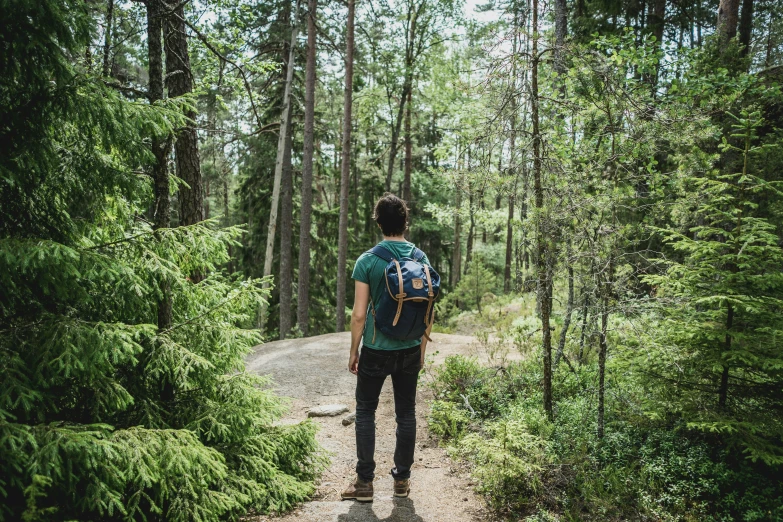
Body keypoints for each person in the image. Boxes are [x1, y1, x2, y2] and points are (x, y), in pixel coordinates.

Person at [341, 193, 434, 503]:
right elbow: (427, 310)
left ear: (378, 222)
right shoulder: (421, 259)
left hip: (377, 349)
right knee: (406, 413)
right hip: (409, 347)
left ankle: (364, 483)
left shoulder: (368, 260)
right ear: (405, 222)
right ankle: (402, 482)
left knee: (366, 410)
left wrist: (355, 350)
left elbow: (358, 314)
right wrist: (421, 349)